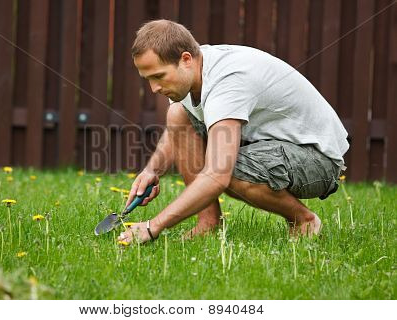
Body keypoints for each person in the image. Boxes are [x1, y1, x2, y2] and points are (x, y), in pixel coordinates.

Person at [118, 19, 349, 244]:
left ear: (185, 59)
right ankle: (208, 223)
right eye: (148, 79)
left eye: (159, 76)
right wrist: (152, 170)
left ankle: (304, 221)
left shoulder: (228, 82)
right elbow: (179, 129)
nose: (154, 88)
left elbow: (217, 176)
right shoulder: (193, 73)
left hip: (317, 159)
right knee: (177, 114)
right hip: (271, 145)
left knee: (229, 171)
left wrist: (152, 227)